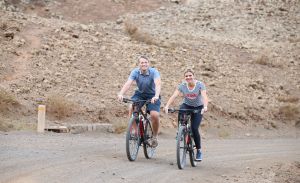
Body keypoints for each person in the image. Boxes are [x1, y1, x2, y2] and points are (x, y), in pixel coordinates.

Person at [164, 69, 208, 161]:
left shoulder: (200, 85)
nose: (188, 77)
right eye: (186, 76)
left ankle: (199, 150)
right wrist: (167, 106)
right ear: (184, 78)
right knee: (181, 110)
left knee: (194, 128)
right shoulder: (182, 85)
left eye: (190, 75)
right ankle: (180, 130)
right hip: (187, 105)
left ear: (194, 76)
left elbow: (204, 96)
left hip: (198, 107)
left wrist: (205, 106)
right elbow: (174, 95)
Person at [118, 55, 161, 147]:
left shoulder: (154, 72)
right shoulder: (135, 72)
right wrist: (121, 93)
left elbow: (158, 84)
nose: (144, 64)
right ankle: (135, 131)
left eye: (146, 62)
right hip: (140, 94)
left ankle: (154, 137)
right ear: (139, 64)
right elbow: (128, 83)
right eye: (142, 62)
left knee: (154, 115)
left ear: (148, 64)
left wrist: (156, 96)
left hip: (153, 95)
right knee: (131, 106)